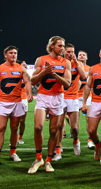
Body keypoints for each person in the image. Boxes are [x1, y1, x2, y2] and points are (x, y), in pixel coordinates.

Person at [29, 36, 72, 174]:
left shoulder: (66, 62)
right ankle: (38, 159)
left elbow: (67, 83)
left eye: (63, 46)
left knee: (54, 131)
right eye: (60, 45)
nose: (62, 48)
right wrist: (44, 72)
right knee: (38, 127)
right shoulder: (41, 60)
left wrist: (54, 74)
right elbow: (32, 81)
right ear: (52, 46)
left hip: (58, 98)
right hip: (43, 97)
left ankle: (48, 160)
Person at [0, 46, 33, 165]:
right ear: (5, 55)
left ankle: (13, 153)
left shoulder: (21, 69)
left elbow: (27, 81)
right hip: (2, 103)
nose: (13, 55)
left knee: (14, 129)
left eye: (15, 53)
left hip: (17, 102)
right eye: (11, 53)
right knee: (1, 128)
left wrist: (30, 93)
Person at [55, 43, 87, 158]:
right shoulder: (59, 63)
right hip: (61, 96)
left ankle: (76, 140)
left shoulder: (77, 64)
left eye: (72, 52)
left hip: (73, 97)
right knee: (59, 125)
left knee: (74, 127)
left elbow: (84, 77)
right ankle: (58, 149)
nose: (70, 54)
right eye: (68, 52)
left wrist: (77, 63)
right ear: (64, 52)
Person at [76, 49, 93, 150]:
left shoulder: (90, 69)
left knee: (89, 119)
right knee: (75, 121)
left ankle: (90, 140)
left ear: (86, 58)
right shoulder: (73, 67)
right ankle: (76, 140)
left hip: (88, 97)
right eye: (80, 55)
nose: (81, 56)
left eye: (83, 55)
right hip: (75, 97)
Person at [17, 60, 30, 145]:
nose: (24, 68)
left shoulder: (27, 76)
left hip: (24, 99)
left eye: (25, 67)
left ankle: (20, 137)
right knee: (14, 121)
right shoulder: (15, 75)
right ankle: (14, 138)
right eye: (22, 66)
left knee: (22, 121)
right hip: (15, 99)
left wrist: (30, 94)